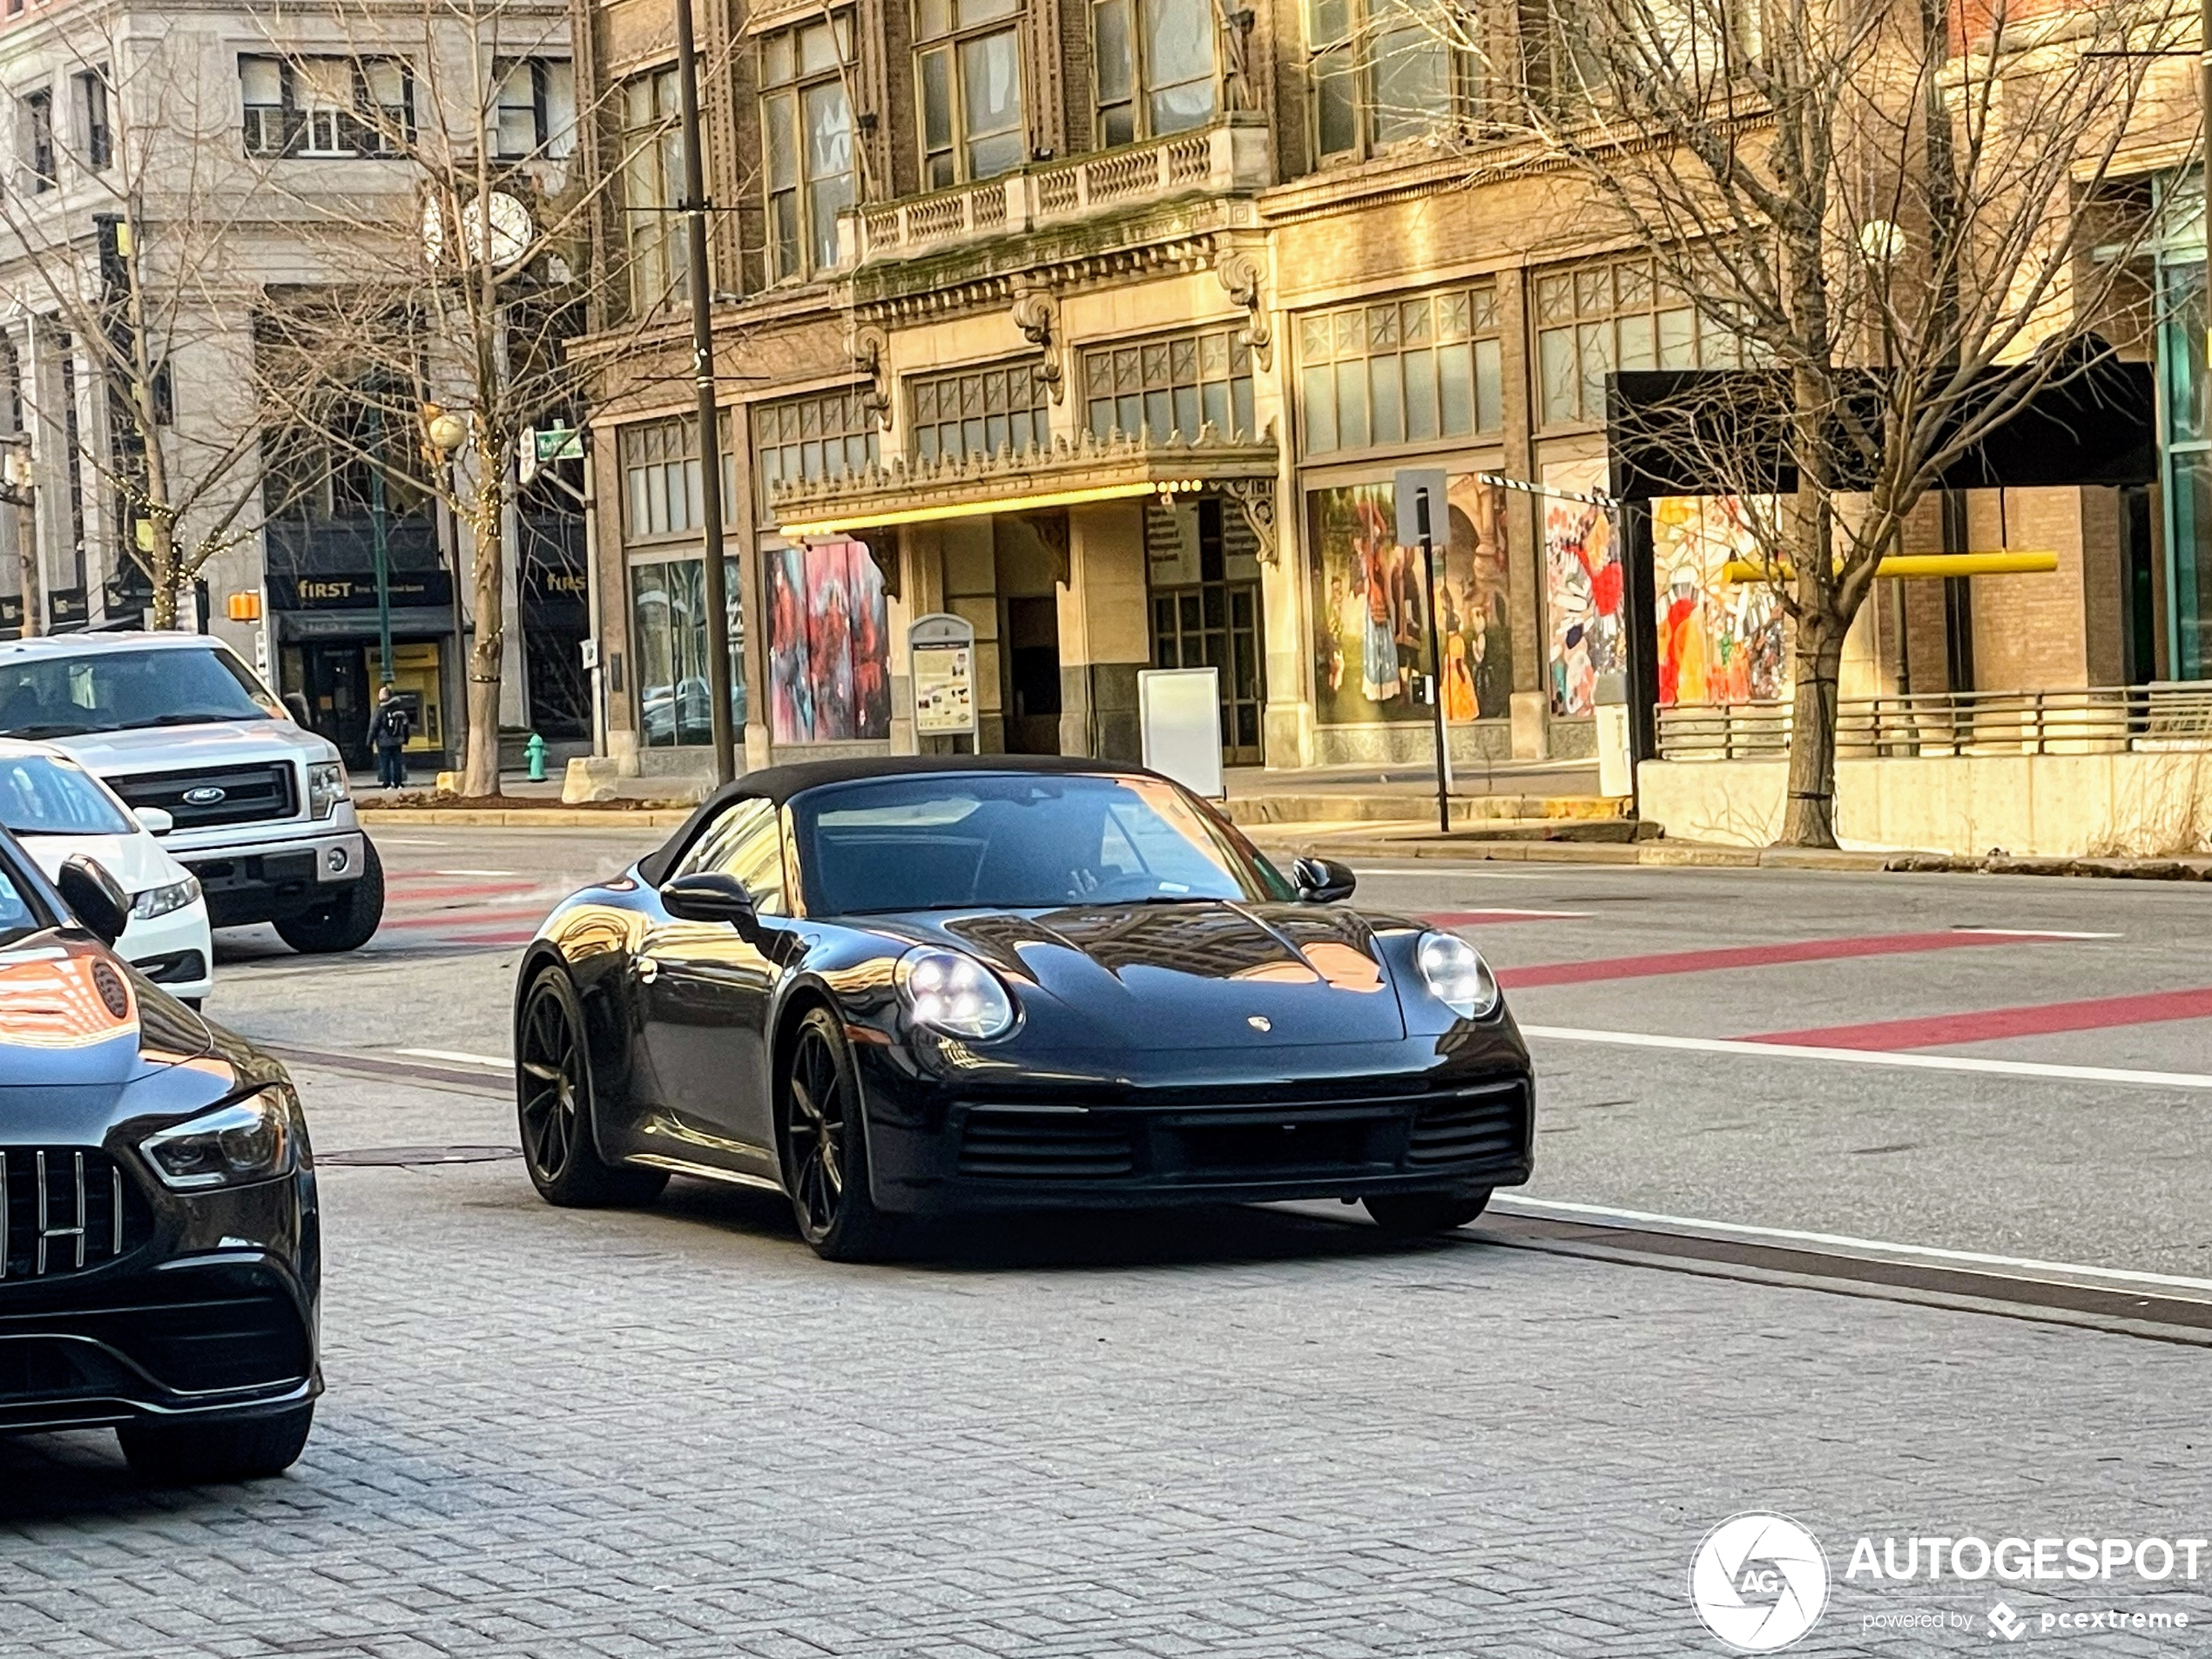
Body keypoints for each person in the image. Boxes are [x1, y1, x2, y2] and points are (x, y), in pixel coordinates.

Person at [368, 685, 412, 791]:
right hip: (397, 741)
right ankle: (398, 783)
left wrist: (369, 740)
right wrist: (405, 739)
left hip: (383, 741)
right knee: (397, 762)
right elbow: (405, 725)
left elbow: (374, 726)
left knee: (385, 763)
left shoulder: (380, 710)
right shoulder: (399, 709)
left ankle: (387, 784)